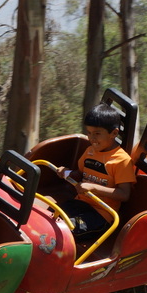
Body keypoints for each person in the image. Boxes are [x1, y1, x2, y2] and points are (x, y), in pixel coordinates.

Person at [55, 103, 136, 246]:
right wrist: (66, 172)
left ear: (114, 133)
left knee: (64, 231)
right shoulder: (90, 151)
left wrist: (94, 188)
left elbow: (124, 194)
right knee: (49, 218)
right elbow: (80, 174)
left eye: (97, 134)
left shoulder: (121, 160)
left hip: (100, 214)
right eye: (89, 133)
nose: (91, 138)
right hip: (79, 204)